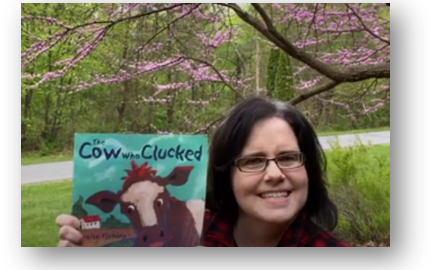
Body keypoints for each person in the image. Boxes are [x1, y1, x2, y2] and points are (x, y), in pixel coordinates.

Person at [56, 96, 350, 247]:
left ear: (307, 168)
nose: (274, 173)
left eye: (288, 157)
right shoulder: (186, 237)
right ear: (226, 175)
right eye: (253, 161)